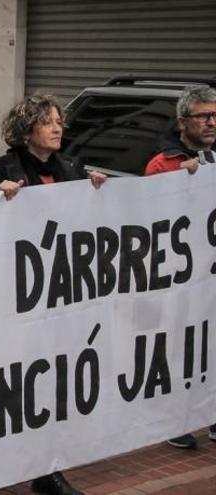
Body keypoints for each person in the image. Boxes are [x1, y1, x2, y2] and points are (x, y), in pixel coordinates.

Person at [0, 95, 106, 495]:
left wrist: (96, 191)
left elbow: (89, 225)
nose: (58, 127)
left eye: (59, 121)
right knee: (13, 384)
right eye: (48, 122)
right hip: (16, 301)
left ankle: (48, 472)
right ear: (28, 130)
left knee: (50, 388)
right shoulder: (3, 172)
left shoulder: (70, 171)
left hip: (57, 299)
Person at [144, 85, 216, 449]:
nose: (211, 122)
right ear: (183, 121)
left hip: (212, 275)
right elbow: (152, 221)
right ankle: (176, 420)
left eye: (215, 115)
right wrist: (180, 182)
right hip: (180, 280)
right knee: (181, 349)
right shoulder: (163, 164)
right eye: (204, 115)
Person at [145, 85, 216, 177]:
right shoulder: (161, 165)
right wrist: (178, 174)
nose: (212, 123)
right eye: (202, 116)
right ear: (182, 123)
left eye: (215, 116)